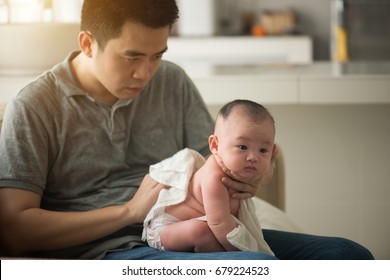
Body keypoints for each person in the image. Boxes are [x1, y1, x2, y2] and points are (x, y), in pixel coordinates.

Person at [0, 0, 374, 260]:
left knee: (348, 255)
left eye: (157, 55)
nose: (145, 73)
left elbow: (217, 160)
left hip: (195, 231)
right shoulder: (35, 106)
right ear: (87, 43)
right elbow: (14, 229)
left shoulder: (171, 81)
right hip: (112, 250)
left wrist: (251, 173)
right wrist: (127, 212)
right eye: (131, 57)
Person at [143, 100, 276, 254]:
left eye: (263, 150)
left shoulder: (242, 171)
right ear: (215, 145)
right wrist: (247, 253)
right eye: (242, 147)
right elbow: (219, 223)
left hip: (209, 226)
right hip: (167, 229)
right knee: (200, 231)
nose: (253, 157)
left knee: (208, 231)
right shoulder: (214, 177)